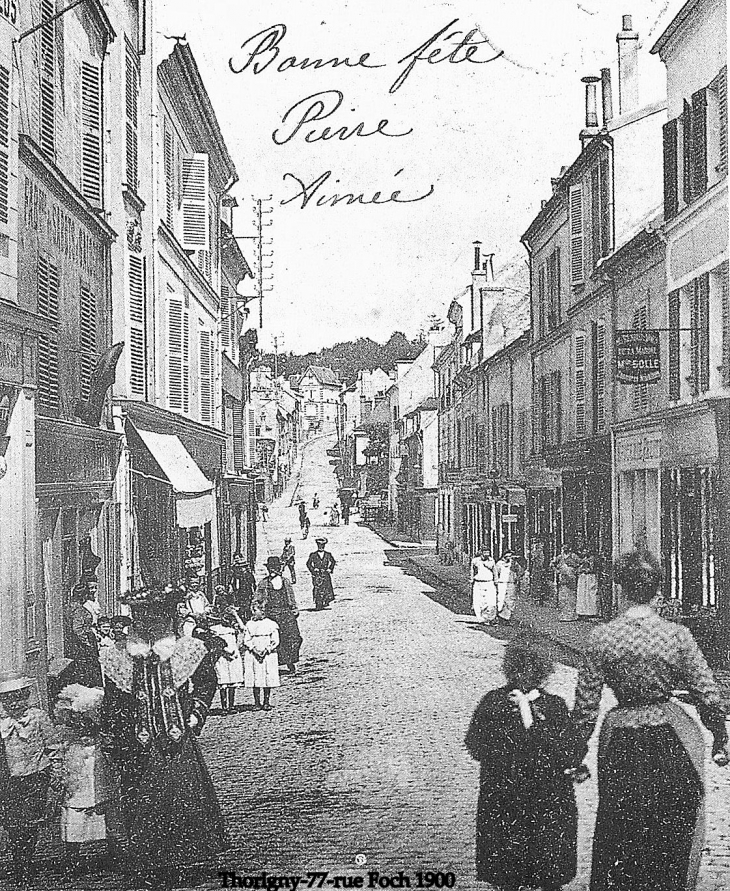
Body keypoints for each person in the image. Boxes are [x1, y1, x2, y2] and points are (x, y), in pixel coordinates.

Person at [572, 550, 729, 891]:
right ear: (657, 588)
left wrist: (574, 754)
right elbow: (707, 692)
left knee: (619, 823)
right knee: (674, 824)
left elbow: (586, 706)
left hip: (621, 735)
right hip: (671, 735)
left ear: (622, 589)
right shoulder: (676, 635)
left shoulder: (602, 637)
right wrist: (720, 736)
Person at [99, 587, 227, 890]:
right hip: (139, 744)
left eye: (155, 615)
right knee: (144, 799)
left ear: (167, 617)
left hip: (177, 740)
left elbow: (207, 682)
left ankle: (183, 858)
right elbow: (114, 701)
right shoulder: (120, 656)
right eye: (142, 616)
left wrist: (196, 713)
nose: (149, 622)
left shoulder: (187, 649)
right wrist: (115, 736)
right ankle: (149, 860)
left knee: (180, 796)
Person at [465, 640, 583, 891]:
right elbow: (569, 750)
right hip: (537, 798)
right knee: (530, 864)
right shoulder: (551, 706)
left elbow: (475, 744)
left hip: (515, 797)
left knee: (523, 864)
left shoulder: (495, 703)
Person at [0, 676, 62, 886]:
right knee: (13, 824)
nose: (15, 704)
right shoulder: (2, 721)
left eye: (19, 698)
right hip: (9, 781)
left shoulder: (38, 717)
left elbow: (52, 746)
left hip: (35, 776)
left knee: (29, 823)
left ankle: (25, 863)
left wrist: (56, 772)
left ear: (27, 696)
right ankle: (21, 862)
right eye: (9, 700)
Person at [53, 684, 121, 876]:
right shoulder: (68, 740)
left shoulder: (103, 741)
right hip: (77, 775)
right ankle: (72, 857)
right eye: (77, 721)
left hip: (100, 773)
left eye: (88, 721)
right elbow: (58, 752)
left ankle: (115, 852)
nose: (83, 726)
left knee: (106, 809)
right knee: (75, 811)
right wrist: (59, 772)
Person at [254, 557, 303, 674]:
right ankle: (274, 664)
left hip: (286, 614)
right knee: (274, 640)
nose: (272, 570)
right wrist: (258, 610)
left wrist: (294, 609)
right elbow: (257, 599)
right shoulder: (263, 583)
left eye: (275, 568)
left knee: (293, 638)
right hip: (271, 615)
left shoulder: (285, 581)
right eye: (270, 568)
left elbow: (291, 597)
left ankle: (290, 662)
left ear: (279, 568)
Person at [209, 595, 245, 714]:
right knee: (223, 680)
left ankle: (231, 705)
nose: (226, 620)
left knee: (233, 680)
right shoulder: (216, 629)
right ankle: (224, 707)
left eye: (228, 618)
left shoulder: (233, 628)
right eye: (224, 618)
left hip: (234, 655)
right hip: (222, 656)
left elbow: (243, 629)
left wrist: (235, 615)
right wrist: (224, 651)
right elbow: (215, 643)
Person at [243, 601, 281, 710]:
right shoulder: (249, 624)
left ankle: (266, 701)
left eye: (255, 610)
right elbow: (246, 639)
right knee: (256, 676)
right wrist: (253, 649)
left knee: (266, 676)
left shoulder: (271, 624)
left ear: (262, 611)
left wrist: (267, 649)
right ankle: (256, 702)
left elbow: (275, 640)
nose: (253, 612)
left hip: (267, 654)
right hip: (253, 653)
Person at [67, 583, 103, 688]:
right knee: (88, 666)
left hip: (78, 642)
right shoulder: (79, 609)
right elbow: (77, 628)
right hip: (83, 643)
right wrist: (87, 642)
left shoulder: (72, 606)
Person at [552, 544, 580, 623]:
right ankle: (563, 615)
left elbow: (580, 563)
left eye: (566, 548)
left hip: (571, 577)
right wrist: (557, 571)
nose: (565, 549)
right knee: (563, 597)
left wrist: (575, 570)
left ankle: (572, 615)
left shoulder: (573, 556)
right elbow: (552, 564)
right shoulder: (560, 557)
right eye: (563, 548)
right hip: (563, 578)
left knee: (571, 596)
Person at [306, 538, 337, 610]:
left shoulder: (328, 554)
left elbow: (333, 562)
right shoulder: (313, 555)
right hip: (317, 575)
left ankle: (325, 601)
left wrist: (330, 569)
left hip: (325, 574)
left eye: (322, 545)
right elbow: (308, 564)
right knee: (318, 589)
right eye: (319, 545)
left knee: (326, 588)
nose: (321, 547)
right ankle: (318, 603)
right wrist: (313, 570)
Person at [471, 545, 498, 625]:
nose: (487, 554)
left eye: (488, 552)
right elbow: (472, 571)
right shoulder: (475, 561)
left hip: (489, 582)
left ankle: (490, 618)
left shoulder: (491, 561)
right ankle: (481, 619)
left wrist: (496, 581)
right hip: (478, 583)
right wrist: (472, 579)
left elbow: (495, 571)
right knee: (478, 602)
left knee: (491, 601)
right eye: (485, 552)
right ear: (481, 553)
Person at [494, 551, 520, 625]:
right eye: (507, 556)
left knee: (510, 600)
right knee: (500, 599)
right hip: (501, 583)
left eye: (510, 556)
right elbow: (496, 573)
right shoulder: (499, 564)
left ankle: (507, 618)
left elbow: (518, 572)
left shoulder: (513, 564)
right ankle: (500, 617)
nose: (508, 558)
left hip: (510, 583)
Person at [228, 553, 256, 620]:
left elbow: (253, 584)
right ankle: (242, 617)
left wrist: (253, 592)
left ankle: (248, 617)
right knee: (240, 605)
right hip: (239, 592)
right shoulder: (237, 575)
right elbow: (233, 583)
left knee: (247, 605)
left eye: (242, 568)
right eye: (239, 568)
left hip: (247, 592)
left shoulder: (249, 574)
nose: (241, 569)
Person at [576, 548, 599, 619]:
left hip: (590, 577)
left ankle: (591, 612)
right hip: (584, 578)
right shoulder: (584, 559)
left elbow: (592, 569)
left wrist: (585, 570)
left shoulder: (592, 559)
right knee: (583, 594)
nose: (584, 552)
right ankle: (583, 612)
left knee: (590, 594)